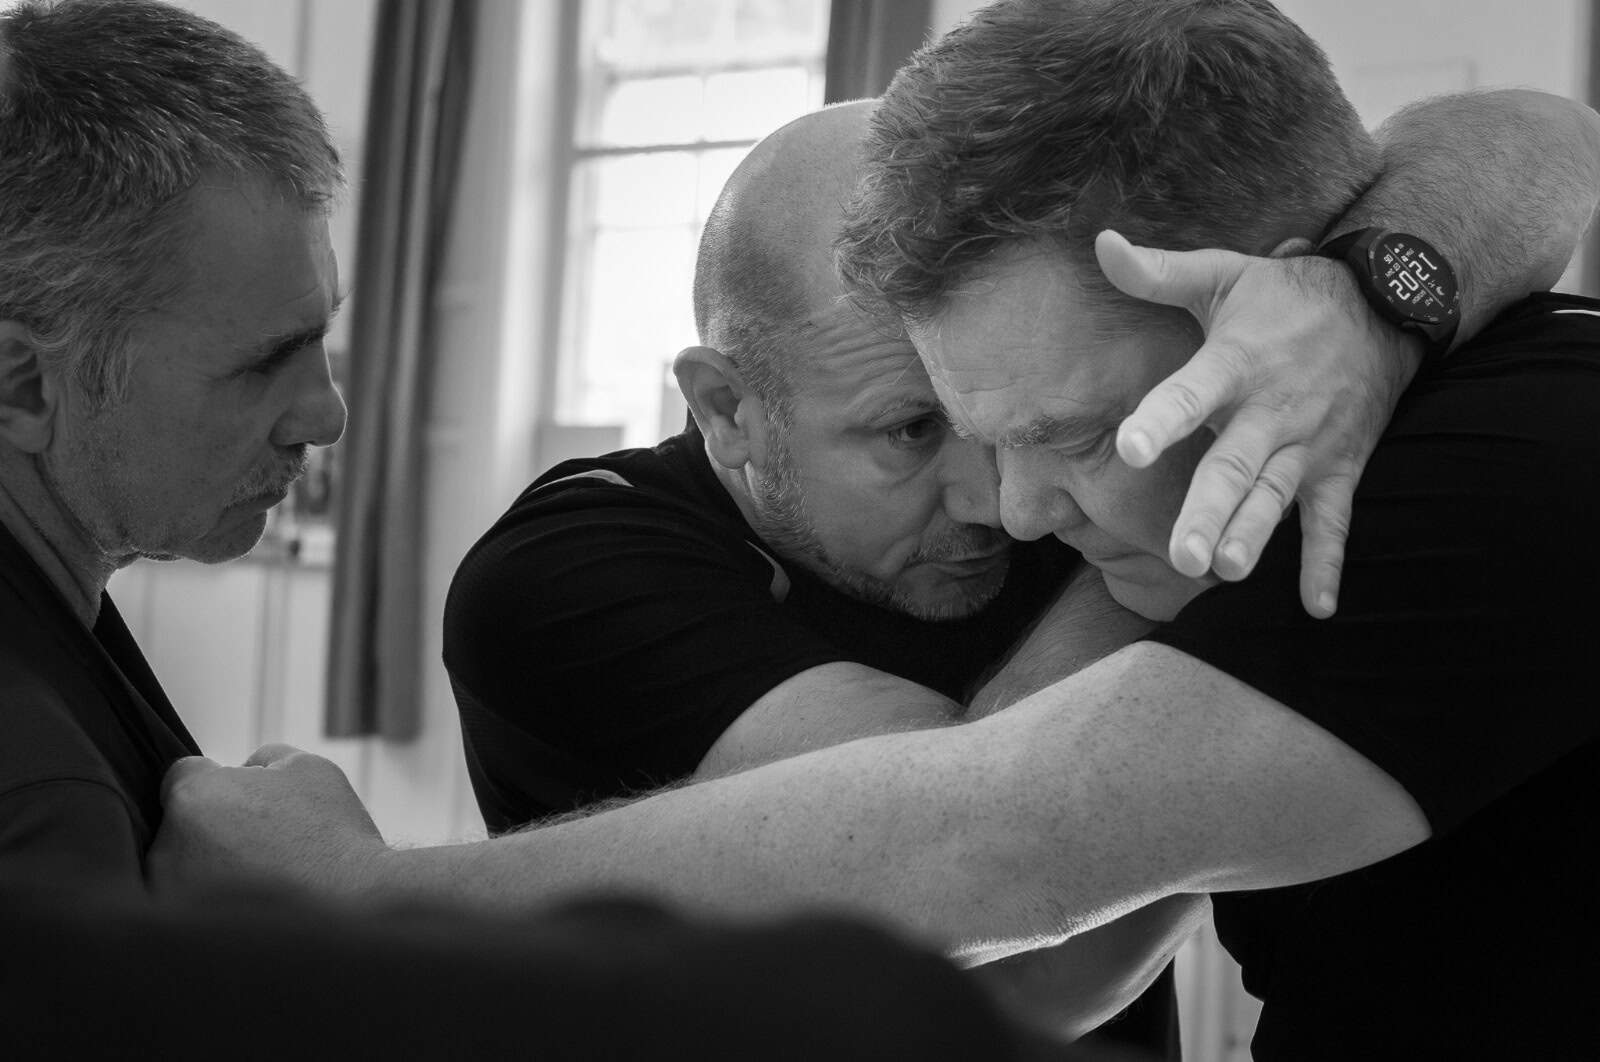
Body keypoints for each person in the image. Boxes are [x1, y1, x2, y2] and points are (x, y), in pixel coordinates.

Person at [152, 3, 1599, 1058]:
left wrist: (353, 900)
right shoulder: (578, 566)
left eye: (1072, 435)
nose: (1011, 505)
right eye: (933, 431)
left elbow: (999, 844)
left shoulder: (1514, 461)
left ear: (1261, 303)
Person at [0, 0, 346, 890]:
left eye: (319, 342)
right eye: (265, 362)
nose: (326, 416)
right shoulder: (41, 806)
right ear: (24, 385)